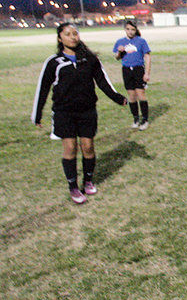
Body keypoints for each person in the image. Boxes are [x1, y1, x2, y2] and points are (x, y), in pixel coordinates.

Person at [32, 23, 127, 204]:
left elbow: (102, 82)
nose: (73, 37)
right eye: (68, 34)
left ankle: (88, 180)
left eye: (75, 33)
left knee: (88, 147)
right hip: (64, 113)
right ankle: (73, 187)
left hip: (87, 111)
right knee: (70, 148)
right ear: (60, 39)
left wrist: (117, 97)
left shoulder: (90, 59)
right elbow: (43, 89)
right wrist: (37, 114)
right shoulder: (54, 62)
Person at [113, 20, 151, 130]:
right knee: (131, 96)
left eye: (133, 29)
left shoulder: (141, 41)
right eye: (128, 29)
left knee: (141, 94)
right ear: (125, 29)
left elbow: (147, 57)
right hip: (126, 70)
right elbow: (117, 57)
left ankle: (145, 120)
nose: (130, 31)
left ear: (136, 30)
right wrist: (119, 52)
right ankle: (136, 118)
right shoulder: (120, 41)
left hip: (138, 69)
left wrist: (147, 73)